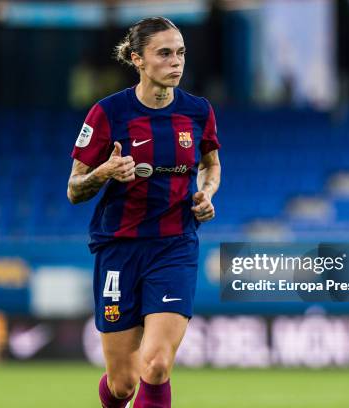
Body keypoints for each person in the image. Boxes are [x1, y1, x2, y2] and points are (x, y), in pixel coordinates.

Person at [67, 16, 221, 408]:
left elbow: (211, 164)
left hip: (174, 246)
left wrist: (206, 192)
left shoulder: (198, 111)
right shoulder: (107, 114)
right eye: (165, 53)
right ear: (137, 59)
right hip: (119, 247)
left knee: (155, 365)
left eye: (181, 53)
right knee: (123, 385)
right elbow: (74, 189)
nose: (176, 62)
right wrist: (104, 171)